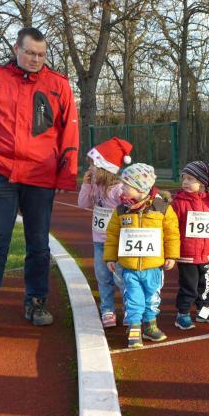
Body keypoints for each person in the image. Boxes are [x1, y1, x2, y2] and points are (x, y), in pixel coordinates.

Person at [0, 27, 79, 328]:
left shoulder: (58, 84)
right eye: (30, 52)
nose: (35, 59)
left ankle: (36, 302)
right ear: (16, 49)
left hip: (40, 175)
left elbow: (69, 131)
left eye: (41, 55)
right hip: (1, 172)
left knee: (39, 243)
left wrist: (66, 174)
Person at [104, 164, 180, 349]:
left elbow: (171, 233)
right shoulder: (121, 210)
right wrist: (110, 257)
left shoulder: (162, 208)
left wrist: (171, 255)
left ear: (139, 187)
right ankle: (134, 329)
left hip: (153, 267)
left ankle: (151, 326)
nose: (122, 188)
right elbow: (112, 235)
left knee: (152, 298)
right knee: (133, 298)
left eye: (126, 185)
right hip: (129, 267)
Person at [77, 137, 132, 328]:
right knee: (102, 277)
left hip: (117, 243)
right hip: (99, 241)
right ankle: (107, 309)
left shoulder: (119, 190)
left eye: (93, 165)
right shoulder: (95, 185)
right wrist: (86, 185)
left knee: (121, 278)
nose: (90, 169)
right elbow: (82, 204)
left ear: (104, 168)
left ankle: (129, 309)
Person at [170, 161, 209, 330]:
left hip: (207, 253)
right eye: (184, 178)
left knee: (204, 285)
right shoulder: (179, 203)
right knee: (189, 286)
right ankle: (183, 314)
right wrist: (172, 250)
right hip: (187, 254)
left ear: (202, 183)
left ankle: (203, 311)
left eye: (190, 179)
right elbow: (171, 228)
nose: (185, 182)